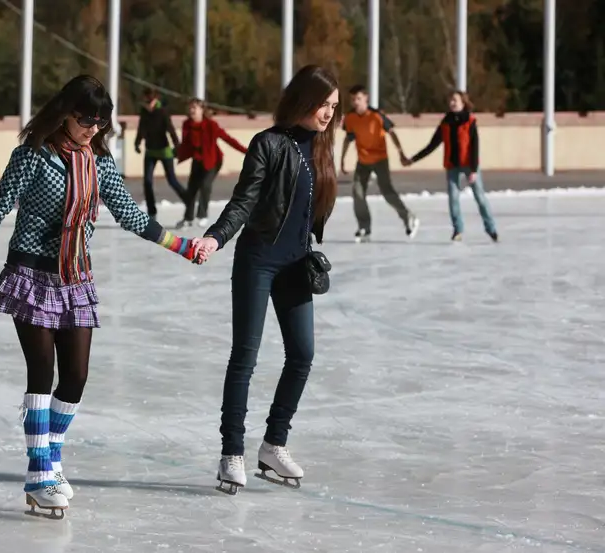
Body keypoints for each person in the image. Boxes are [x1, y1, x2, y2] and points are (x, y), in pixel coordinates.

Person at [0, 75, 203, 518]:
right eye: (85, 120)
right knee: (42, 372)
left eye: (100, 123)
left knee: (75, 377)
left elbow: (133, 216)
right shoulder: (33, 156)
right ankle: (40, 473)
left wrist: (183, 246)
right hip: (31, 275)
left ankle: (48, 456)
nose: (93, 130)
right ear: (66, 112)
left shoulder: (99, 163)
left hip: (75, 278)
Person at [195, 65, 340, 495]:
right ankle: (232, 452)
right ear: (302, 100)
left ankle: (274, 443)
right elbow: (245, 201)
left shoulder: (322, 147)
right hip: (259, 260)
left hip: (296, 263)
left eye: (334, 107)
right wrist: (216, 238)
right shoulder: (269, 143)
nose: (329, 114)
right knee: (246, 356)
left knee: (303, 354)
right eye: (323, 105)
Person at [406, 91, 498, 242]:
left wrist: (474, 170)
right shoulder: (446, 122)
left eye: (455, 100)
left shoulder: (470, 120)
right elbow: (432, 145)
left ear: (463, 102)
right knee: (453, 199)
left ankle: (491, 229)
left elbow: (475, 146)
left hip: (469, 164)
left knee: (480, 197)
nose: (452, 103)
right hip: (452, 165)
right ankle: (458, 230)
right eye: (450, 100)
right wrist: (413, 159)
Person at [340, 84, 418, 242]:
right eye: (353, 99)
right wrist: (342, 160)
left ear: (366, 99)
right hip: (363, 161)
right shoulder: (350, 118)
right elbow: (348, 138)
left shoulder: (376, 115)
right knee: (357, 192)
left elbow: (392, 132)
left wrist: (401, 153)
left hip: (380, 159)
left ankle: (407, 216)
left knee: (387, 193)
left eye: (359, 99)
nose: (356, 102)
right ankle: (364, 227)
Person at [176, 99, 247, 229]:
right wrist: (177, 153)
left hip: (213, 161)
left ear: (202, 110)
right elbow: (185, 143)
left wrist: (247, 151)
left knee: (205, 185)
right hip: (198, 160)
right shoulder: (187, 124)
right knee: (191, 189)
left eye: (195, 108)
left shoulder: (211, 125)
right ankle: (188, 218)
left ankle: (202, 216)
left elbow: (228, 139)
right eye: (190, 107)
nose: (192, 110)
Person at [135, 88, 187, 218]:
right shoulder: (144, 112)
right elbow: (141, 128)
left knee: (172, 180)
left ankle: (189, 202)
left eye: (150, 102)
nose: (148, 105)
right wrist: (137, 143)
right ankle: (151, 211)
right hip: (150, 151)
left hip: (164, 150)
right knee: (147, 181)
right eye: (146, 102)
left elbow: (170, 129)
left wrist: (177, 147)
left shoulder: (162, 111)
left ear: (155, 100)